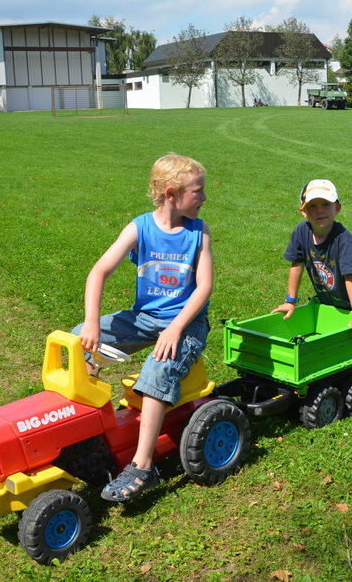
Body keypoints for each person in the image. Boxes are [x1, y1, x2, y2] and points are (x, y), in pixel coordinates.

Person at [73, 154, 213, 502]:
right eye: (198, 191)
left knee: (156, 372)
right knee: (77, 340)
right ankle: (88, 427)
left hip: (188, 322)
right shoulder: (140, 228)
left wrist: (176, 329)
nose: (204, 198)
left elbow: (204, 287)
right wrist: (92, 322)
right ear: (171, 193)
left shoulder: (199, 232)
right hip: (145, 319)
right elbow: (98, 272)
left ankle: (142, 466)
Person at [272, 179, 352, 333]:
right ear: (304, 211)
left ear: (337, 208)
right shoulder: (301, 232)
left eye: (326, 204)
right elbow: (296, 266)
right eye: (312, 206)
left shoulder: (343, 239)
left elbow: (351, 277)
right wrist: (290, 302)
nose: (319, 210)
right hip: (333, 288)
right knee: (334, 315)